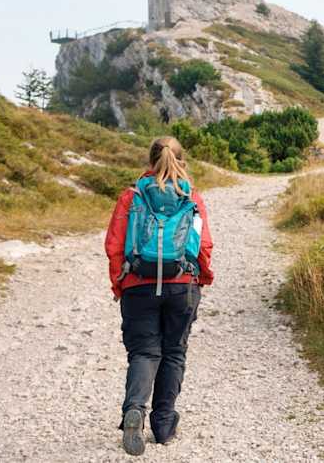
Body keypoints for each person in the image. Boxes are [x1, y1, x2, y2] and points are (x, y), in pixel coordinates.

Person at [104, 136, 214, 455]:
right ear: (181, 159)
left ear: (149, 161)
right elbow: (203, 245)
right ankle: (164, 426)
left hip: (138, 284)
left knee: (144, 352)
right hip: (182, 285)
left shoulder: (132, 195)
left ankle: (134, 410)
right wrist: (201, 277)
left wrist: (119, 284)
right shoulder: (190, 196)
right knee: (174, 352)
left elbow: (114, 245)